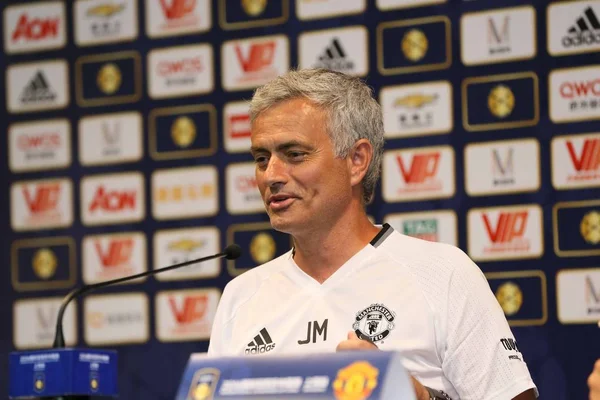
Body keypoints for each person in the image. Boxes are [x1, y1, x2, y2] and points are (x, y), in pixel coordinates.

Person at [208, 69, 538, 400]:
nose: (271, 175)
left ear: (356, 160)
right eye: (261, 159)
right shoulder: (241, 296)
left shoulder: (444, 274)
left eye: (294, 154)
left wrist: (420, 397)